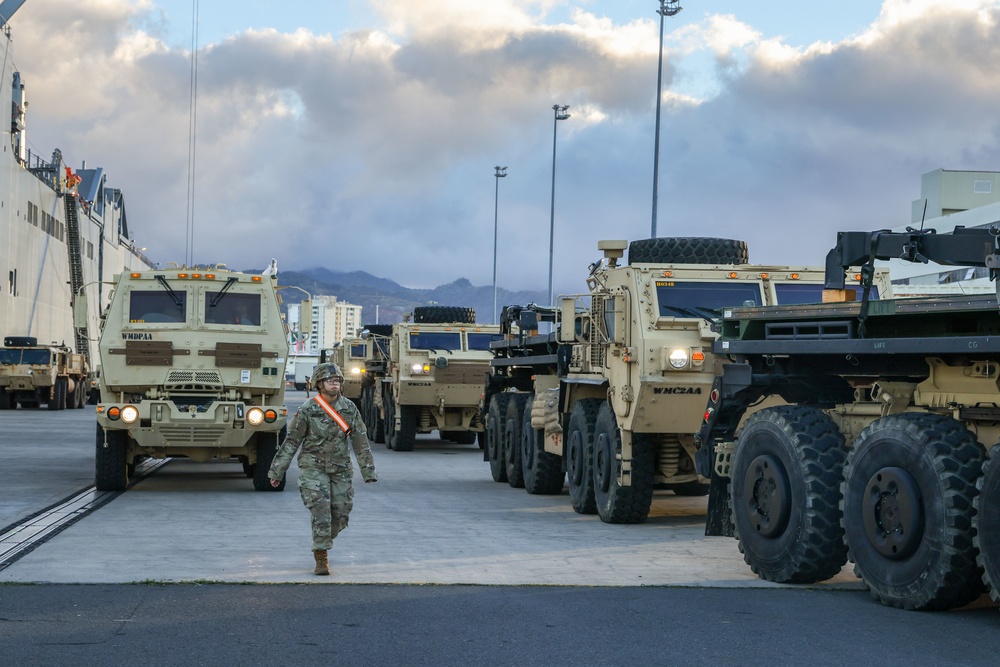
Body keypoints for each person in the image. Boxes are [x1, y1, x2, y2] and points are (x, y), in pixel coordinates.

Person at [268, 362, 378, 575]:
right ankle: (321, 555)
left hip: (340, 468)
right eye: (330, 380)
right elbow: (291, 441)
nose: (335, 383)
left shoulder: (349, 408)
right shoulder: (308, 409)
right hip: (313, 467)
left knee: (341, 512)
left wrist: (368, 471)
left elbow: (360, 440)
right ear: (319, 384)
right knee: (321, 511)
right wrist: (277, 471)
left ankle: (324, 538)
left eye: (337, 380)